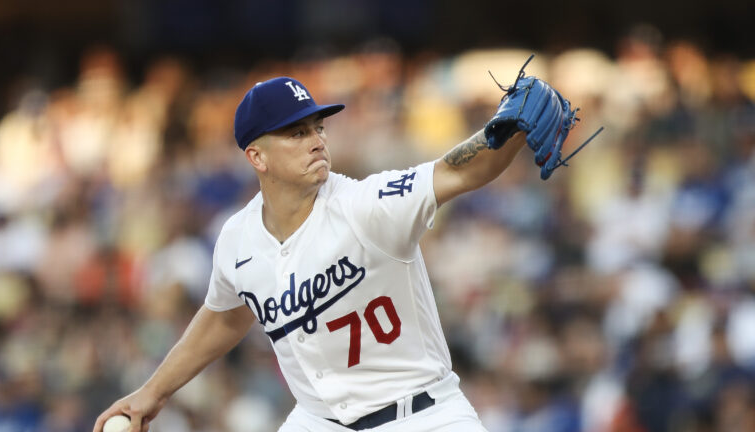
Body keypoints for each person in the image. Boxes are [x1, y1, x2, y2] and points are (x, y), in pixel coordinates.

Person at [94, 76, 527, 432]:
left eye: (318, 128)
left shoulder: (366, 204)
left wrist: (515, 124)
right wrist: (151, 393)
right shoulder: (238, 238)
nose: (317, 140)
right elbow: (226, 314)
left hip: (423, 415)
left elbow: (460, 169)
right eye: (297, 133)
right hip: (319, 422)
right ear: (256, 156)